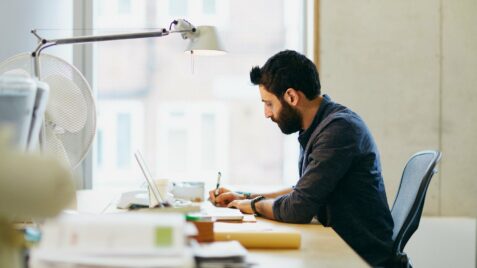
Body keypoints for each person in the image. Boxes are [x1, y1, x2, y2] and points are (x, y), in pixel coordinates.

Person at [209, 50, 394, 266]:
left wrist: (252, 205)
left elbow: (298, 208)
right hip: (342, 250)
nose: (266, 113)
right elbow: (303, 190)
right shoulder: (319, 127)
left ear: (291, 97)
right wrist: (244, 196)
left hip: (362, 259)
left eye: (269, 103)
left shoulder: (339, 130)